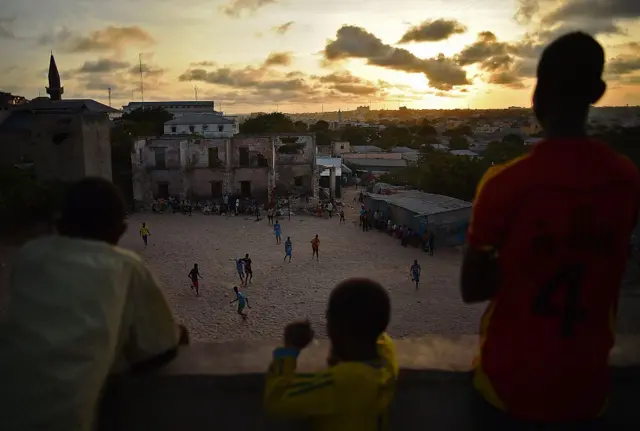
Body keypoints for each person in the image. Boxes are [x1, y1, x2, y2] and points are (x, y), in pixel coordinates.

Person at [460, 33, 640, 427]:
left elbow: (470, 289)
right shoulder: (626, 182)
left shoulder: (505, 183)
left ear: (536, 95)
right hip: (586, 390)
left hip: (506, 388)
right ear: (598, 92)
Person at [0, 177, 189, 431]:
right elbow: (158, 348)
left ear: (58, 223)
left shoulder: (29, 255)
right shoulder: (125, 265)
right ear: (120, 231)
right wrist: (178, 333)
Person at [264, 278, 398, 430]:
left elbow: (277, 400)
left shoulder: (342, 380)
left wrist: (290, 349)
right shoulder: (387, 358)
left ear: (336, 328)